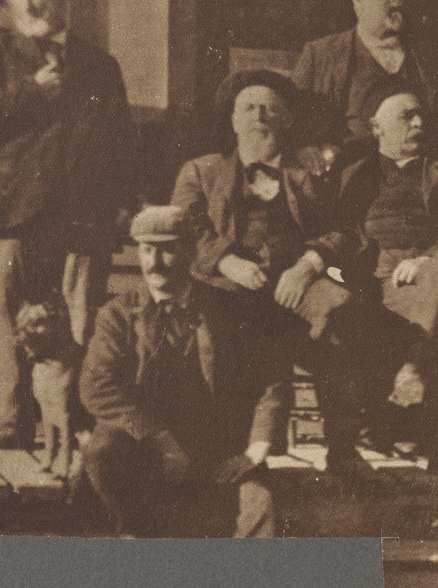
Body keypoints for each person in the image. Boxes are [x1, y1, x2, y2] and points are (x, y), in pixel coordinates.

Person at [171, 70, 389, 481]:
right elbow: (187, 229)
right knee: (210, 326)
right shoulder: (201, 171)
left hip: (296, 285)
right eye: (249, 108)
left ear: (287, 120)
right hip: (227, 288)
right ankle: (227, 451)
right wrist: (225, 261)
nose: (261, 116)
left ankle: (343, 450)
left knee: (339, 307)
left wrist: (308, 265)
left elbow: (345, 230)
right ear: (233, 120)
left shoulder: (310, 175)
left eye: (271, 108)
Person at [0, 0, 137, 451]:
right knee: (13, 319)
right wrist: (30, 91)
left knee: (80, 318)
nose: (28, 6)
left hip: (82, 216)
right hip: (17, 212)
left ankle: (73, 415)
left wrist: (121, 204)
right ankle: (13, 419)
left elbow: (122, 142)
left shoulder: (99, 66)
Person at [80, 206, 288, 537]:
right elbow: (97, 386)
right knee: (102, 450)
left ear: (190, 252)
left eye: (166, 249)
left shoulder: (230, 309)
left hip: (217, 453)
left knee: (262, 509)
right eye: (146, 249)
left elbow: (271, 379)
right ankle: (134, 535)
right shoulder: (118, 314)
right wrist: (158, 438)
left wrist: (256, 448)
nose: (154, 262)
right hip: (147, 451)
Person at [333, 77, 438, 462]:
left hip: (429, 270)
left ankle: (412, 369)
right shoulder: (354, 176)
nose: (418, 124)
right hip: (375, 277)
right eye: (406, 116)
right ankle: (395, 405)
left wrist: (424, 259)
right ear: (377, 128)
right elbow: (340, 230)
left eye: (420, 115)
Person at [292, 0, 432, 175]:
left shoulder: (426, 56)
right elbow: (290, 122)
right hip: (346, 180)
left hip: (416, 178)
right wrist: (305, 148)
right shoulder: (320, 55)